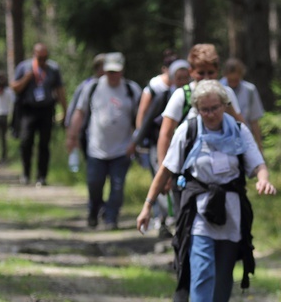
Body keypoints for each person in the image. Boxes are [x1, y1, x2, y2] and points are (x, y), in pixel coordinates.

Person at [136, 79, 276, 302]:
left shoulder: (238, 130)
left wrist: (263, 180)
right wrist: (148, 205)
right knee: (201, 272)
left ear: (225, 106)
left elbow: (257, 162)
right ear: (197, 109)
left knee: (224, 272)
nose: (210, 113)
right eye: (204, 109)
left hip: (231, 209)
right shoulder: (187, 130)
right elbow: (166, 169)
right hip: (198, 209)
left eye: (215, 108)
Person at [156, 44, 245, 302]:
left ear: (218, 71)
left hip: (222, 178)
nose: (206, 78)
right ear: (191, 72)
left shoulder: (225, 94)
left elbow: (240, 127)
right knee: (186, 231)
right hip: (186, 178)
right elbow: (166, 133)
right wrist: (165, 171)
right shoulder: (182, 96)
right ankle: (183, 284)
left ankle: (212, 290)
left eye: (211, 72)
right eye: (200, 73)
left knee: (217, 233)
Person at [66, 52, 142, 230]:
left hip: (122, 148)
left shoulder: (131, 90)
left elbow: (140, 116)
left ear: (122, 71)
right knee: (94, 183)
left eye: (116, 71)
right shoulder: (92, 88)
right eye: (109, 71)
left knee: (117, 186)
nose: (113, 75)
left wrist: (136, 141)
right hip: (96, 148)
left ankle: (111, 218)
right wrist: (72, 136)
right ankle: (94, 210)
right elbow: (80, 112)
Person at [132, 58, 191, 238]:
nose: (182, 81)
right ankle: (163, 219)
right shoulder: (165, 97)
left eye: (185, 77)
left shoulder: (196, 98)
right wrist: (137, 144)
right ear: (172, 78)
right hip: (160, 148)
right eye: (178, 78)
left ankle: (177, 220)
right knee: (162, 184)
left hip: (185, 151)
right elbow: (147, 121)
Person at [11, 42, 67, 187]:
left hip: (46, 110)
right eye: (40, 58)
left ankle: (42, 176)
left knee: (44, 144)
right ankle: (25, 173)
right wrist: (27, 78)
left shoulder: (53, 69)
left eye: (45, 58)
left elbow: (60, 90)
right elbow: (15, 88)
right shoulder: (24, 67)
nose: (42, 61)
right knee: (26, 142)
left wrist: (65, 110)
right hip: (28, 110)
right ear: (34, 55)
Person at [64, 53, 106, 159]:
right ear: (97, 68)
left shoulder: (118, 86)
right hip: (87, 132)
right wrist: (71, 135)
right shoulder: (87, 85)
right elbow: (74, 109)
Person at [220, 57, 265, 152]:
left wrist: (259, 146)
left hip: (244, 137)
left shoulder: (249, 90)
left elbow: (254, 120)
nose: (232, 83)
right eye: (230, 80)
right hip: (223, 138)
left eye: (235, 80)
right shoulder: (218, 88)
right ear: (225, 75)